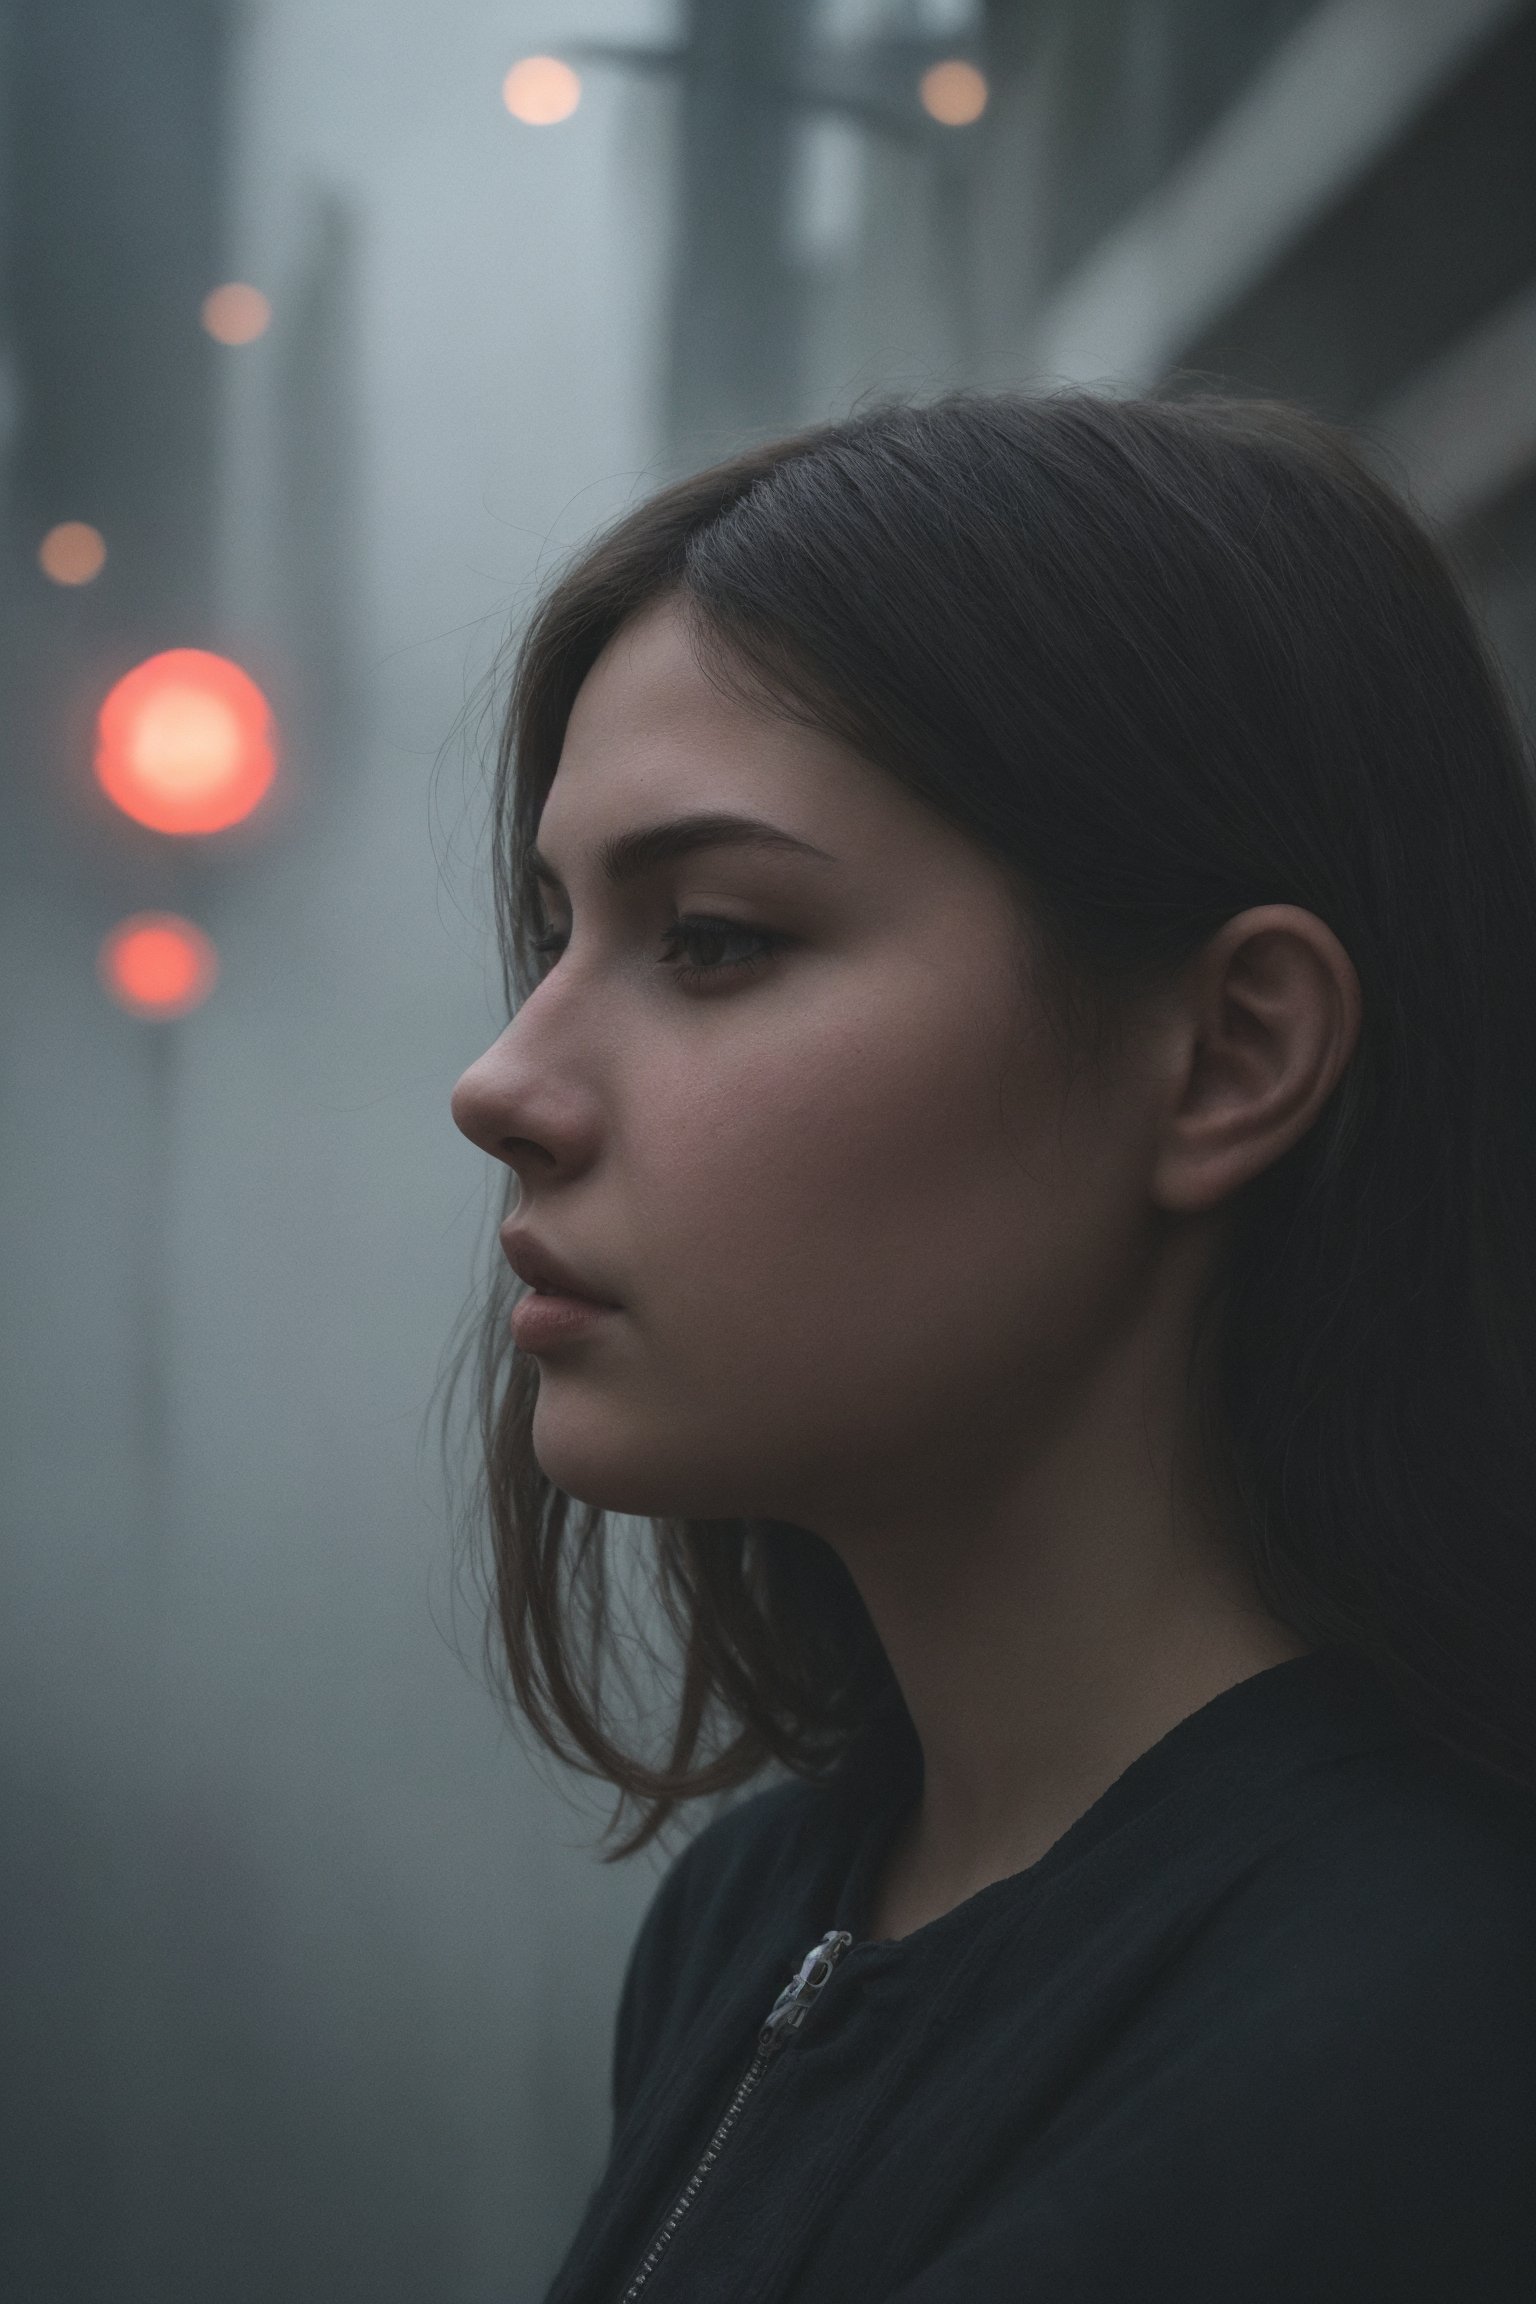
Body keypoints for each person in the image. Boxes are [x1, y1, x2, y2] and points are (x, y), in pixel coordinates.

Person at [449, 390, 1536, 2303]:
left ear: (1230, 1054)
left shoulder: (1414, 2037)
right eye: (553, 933)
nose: (505, 1083)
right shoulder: (756, 1914)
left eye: (711, 938)